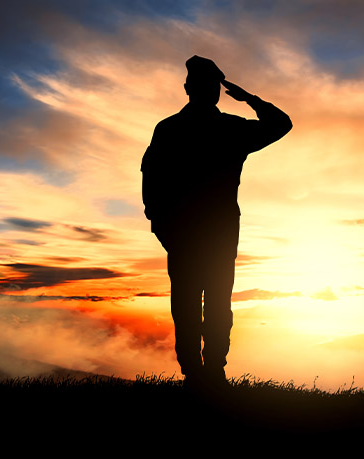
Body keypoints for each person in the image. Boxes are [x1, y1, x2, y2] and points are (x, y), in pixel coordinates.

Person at [141, 55, 292, 389]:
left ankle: (198, 373)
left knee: (190, 302)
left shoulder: (171, 129)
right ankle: (208, 372)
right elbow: (281, 123)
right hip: (212, 232)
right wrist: (249, 98)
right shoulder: (230, 129)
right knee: (209, 303)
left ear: (187, 89)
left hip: (190, 233)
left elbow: (151, 181)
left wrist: (161, 226)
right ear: (214, 91)